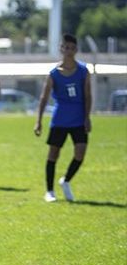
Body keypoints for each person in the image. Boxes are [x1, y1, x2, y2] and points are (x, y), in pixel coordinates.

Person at [34, 34, 92, 203]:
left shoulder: (83, 71)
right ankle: (50, 191)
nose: (68, 51)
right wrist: (38, 121)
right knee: (53, 154)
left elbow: (88, 95)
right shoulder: (54, 74)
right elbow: (44, 98)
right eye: (65, 47)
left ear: (76, 50)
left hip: (79, 119)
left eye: (71, 48)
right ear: (61, 49)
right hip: (59, 119)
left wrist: (87, 117)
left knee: (80, 153)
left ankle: (65, 180)